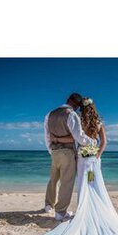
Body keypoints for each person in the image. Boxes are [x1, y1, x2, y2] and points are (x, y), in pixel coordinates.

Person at [1, 97, 118, 235]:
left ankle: (54, 206)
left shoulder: (68, 118)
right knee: (88, 184)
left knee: (70, 183)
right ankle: (67, 210)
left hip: (79, 157)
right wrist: (95, 152)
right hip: (90, 157)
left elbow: (65, 138)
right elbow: (96, 141)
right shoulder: (88, 121)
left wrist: (54, 143)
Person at [44, 92, 97, 221]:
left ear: (68, 99)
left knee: (53, 179)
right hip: (67, 152)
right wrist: (93, 142)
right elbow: (78, 136)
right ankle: (61, 212)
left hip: (54, 152)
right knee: (66, 183)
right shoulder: (71, 115)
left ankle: (48, 205)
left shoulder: (50, 114)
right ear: (77, 105)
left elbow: (46, 135)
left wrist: (51, 149)